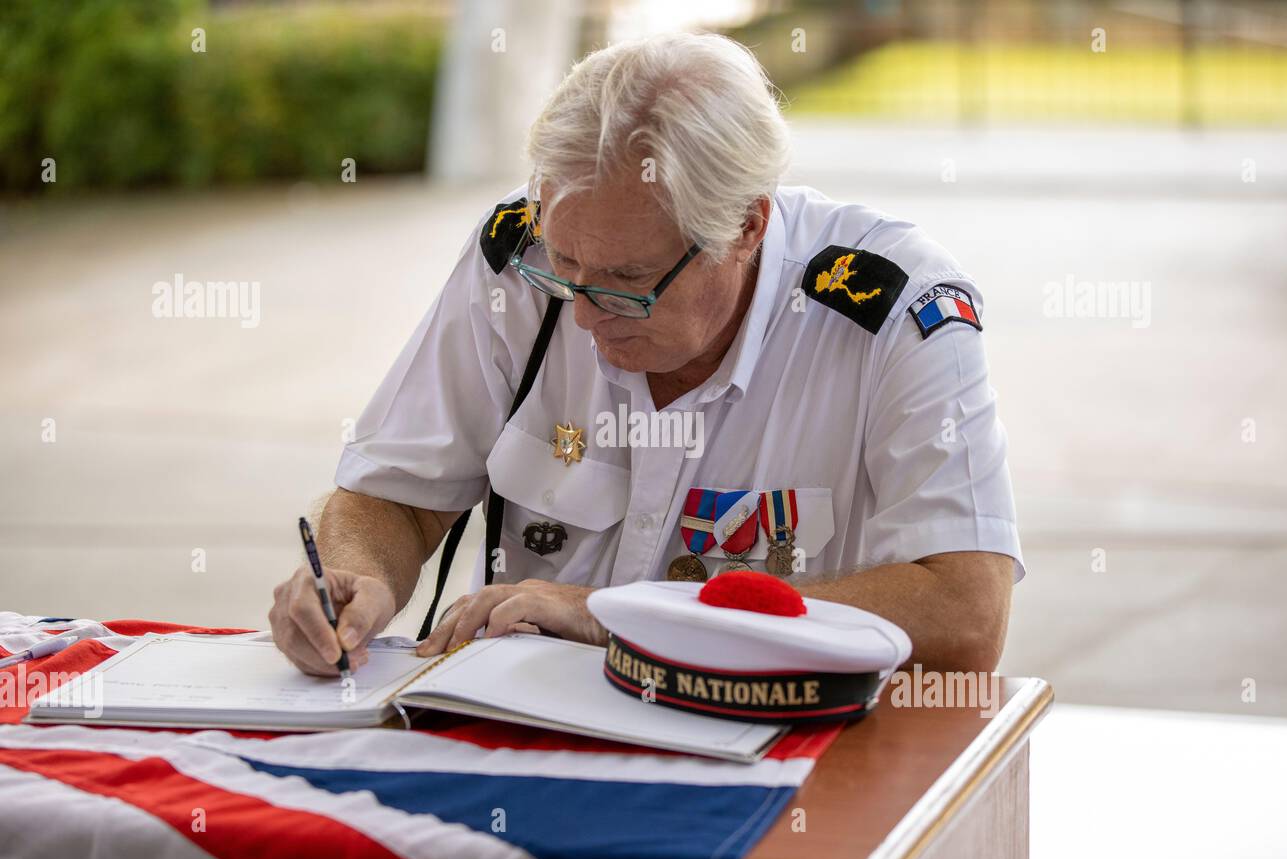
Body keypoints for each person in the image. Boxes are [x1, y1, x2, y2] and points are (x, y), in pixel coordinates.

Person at [268, 32, 1023, 679]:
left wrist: (621, 618)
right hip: (516, 734)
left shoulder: (893, 310)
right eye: (566, 271)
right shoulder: (522, 256)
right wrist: (353, 579)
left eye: (629, 281)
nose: (587, 314)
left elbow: (964, 612)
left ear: (746, 227)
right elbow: (398, 493)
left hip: (770, 756)